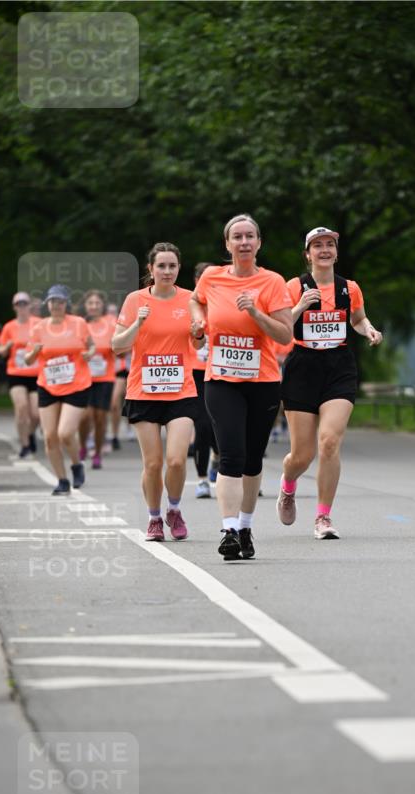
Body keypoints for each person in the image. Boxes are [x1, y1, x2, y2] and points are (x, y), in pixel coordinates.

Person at [189, 214, 293, 560]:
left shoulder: (273, 282)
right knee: (231, 453)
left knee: (251, 459)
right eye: (238, 237)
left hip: (262, 381)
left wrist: (256, 314)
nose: (244, 242)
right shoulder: (212, 277)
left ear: (259, 243)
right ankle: (229, 529)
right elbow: (195, 300)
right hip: (220, 379)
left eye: (250, 236)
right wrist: (199, 322)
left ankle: (246, 527)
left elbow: (284, 334)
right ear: (228, 244)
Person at [277, 227, 382, 539]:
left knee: (330, 442)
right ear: (307, 254)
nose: (324, 250)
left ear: (336, 252)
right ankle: (288, 484)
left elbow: (358, 319)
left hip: (338, 366)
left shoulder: (349, 288)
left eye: (329, 245)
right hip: (302, 367)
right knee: (302, 455)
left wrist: (370, 330)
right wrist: (299, 306)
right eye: (317, 246)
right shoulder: (294, 286)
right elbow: (282, 326)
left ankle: (323, 517)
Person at [112, 242, 198, 542]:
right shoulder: (135, 300)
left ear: (178, 269)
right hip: (143, 391)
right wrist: (139, 321)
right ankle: (154, 517)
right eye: (161, 266)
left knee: (176, 460)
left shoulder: (190, 299)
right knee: (152, 463)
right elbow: (117, 345)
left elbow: (198, 344)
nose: (167, 271)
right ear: (151, 269)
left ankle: (173, 509)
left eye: (172, 266)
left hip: (181, 391)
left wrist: (199, 331)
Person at [24, 284, 94, 495]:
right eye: (53, 301)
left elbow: (90, 345)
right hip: (48, 385)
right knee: (50, 436)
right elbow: (28, 360)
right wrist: (35, 352)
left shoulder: (78, 323)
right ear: (48, 304)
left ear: (66, 304)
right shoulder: (39, 328)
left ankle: (76, 464)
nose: (56, 305)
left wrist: (89, 353)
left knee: (65, 433)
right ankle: (62, 480)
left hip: (76, 384)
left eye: (60, 301)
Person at [0, 291, 39, 456]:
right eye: (18, 304)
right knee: (21, 408)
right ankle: (25, 444)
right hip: (16, 372)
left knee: (36, 414)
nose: (22, 307)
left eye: (24, 304)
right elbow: (0, 350)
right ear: (14, 307)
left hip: (36, 373)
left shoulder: (38, 324)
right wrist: (6, 347)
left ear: (29, 306)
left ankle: (29, 432)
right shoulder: (9, 326)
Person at [78, 290, 116, 469]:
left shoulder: (110, 324)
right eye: (90, 303)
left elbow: (120, 346)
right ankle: (83, 445)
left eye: (97, 303)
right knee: (85, 416)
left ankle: (98, 452)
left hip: (105, 376)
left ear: (102, 306)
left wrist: (114, 347)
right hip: (83, 377)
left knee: (100, 417)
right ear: (85, 306)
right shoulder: (79, 324)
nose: (93, 306)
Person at [191, 261, 220, 499]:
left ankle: (218, 457)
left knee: (220, 425)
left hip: (221, 371)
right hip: (196, 373)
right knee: (201, 426)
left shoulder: (223, 304)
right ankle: (201, 480)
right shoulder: (188, 306)